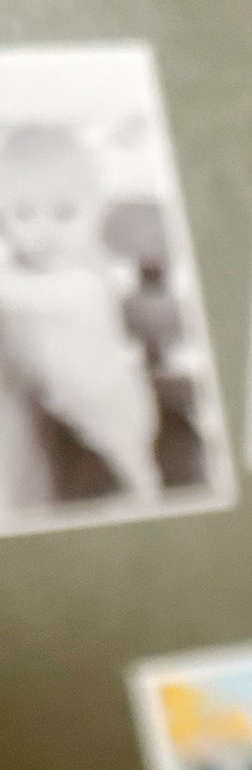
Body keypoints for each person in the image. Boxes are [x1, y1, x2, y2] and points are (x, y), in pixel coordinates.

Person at [0, 124, 162, 503]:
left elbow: (14, 293)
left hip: (109, 397)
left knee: (127, 455)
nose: (43, 230)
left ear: (97, 209)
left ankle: (147, 493)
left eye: (64, 212)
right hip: (66, 396)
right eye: (22, 213)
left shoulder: (84, 280)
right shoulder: (36, 264)